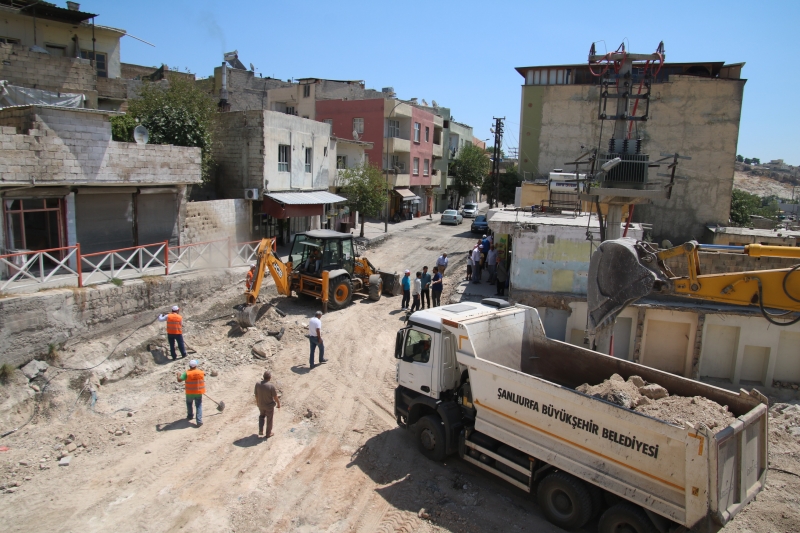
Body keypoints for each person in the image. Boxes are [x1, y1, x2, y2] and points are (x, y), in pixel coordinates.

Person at [177, 359, 204, 427]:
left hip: (189, 393)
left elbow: (179, 380)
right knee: (198, 406)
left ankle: (190, 415)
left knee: (189, 404)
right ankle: (199, 421)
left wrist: (178, 375)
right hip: (198, 392)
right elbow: (204, 374)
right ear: (196, 366)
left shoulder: (187, 373)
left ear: (189, 366)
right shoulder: (200, 372)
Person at [254, 370, 281, 438]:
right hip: (269, 406)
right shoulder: (271, 386)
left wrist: (258, 403)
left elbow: (256, 395)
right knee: (269, 419)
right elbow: (275, 397)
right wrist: (278, 403)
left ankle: (261, 430)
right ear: (270, 377)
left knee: (261, 417)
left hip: (261, 405)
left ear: (263, 377)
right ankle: (268, 434)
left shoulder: (257, 384)